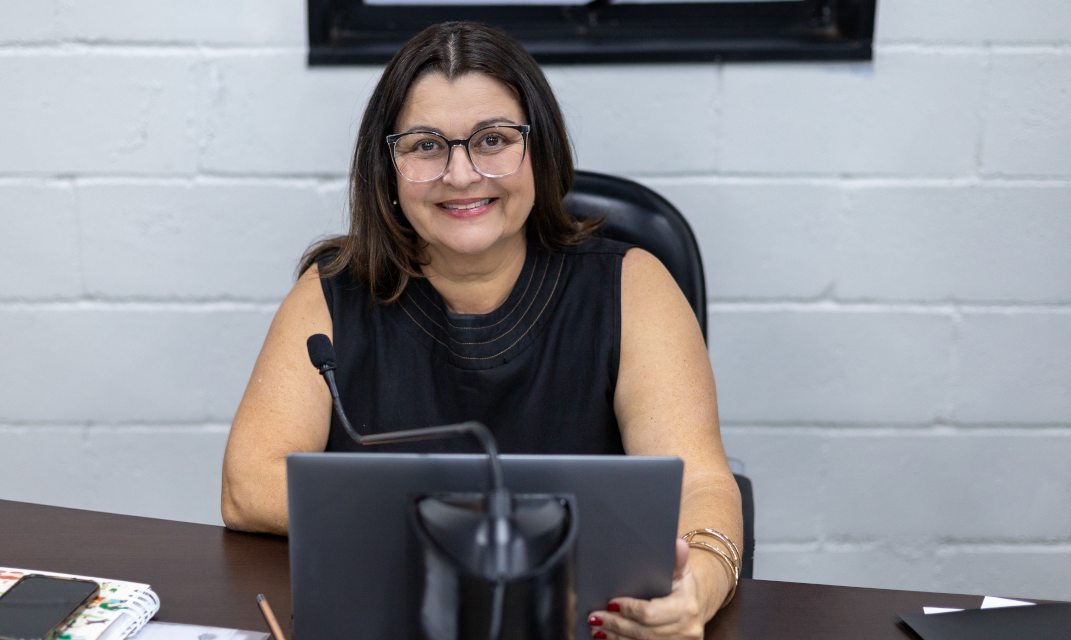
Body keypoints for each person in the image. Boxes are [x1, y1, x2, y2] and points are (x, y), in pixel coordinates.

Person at [221, 21, 743, 639]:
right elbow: (247, 487)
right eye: (425, 146)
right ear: (387, 168)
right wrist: (475, 525)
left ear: (540, 151)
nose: (462, 175)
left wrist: (700, 587)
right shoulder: (331, 296)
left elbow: (702, 484)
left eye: (492, 139)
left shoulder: (633, 286)